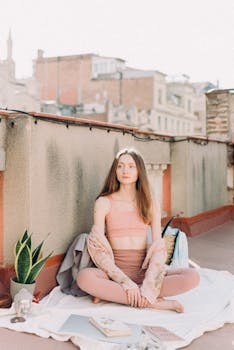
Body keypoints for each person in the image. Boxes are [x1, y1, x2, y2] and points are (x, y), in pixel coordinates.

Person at [77, 148, 199, 312]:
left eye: (131, 166)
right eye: (120, 166)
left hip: (144, 273)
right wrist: (123, 281)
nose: (125, 171)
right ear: (115, 170)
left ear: (139, 171)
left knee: (192, 276)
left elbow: (158, 246)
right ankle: (153, 302)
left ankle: (120, 295)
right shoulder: (104, 202)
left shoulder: (150, 203)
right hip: (115, 274)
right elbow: (98, 249)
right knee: (84, 278)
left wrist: (150, 282)